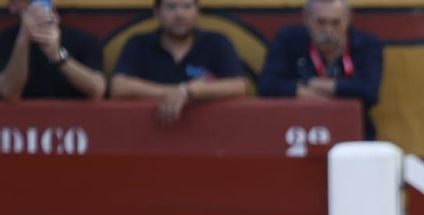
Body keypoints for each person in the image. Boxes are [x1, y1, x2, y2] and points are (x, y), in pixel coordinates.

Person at [257, 0, 383, 140]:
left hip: (353, 132)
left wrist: (312, 83)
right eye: (321, 22)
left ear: (348, 19)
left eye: (336, 23)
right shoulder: (288, 39)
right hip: (297, 130)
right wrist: (309, 94)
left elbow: (369, 92)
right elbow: (266, 85)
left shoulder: (367, 45)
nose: (328, 31)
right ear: (306, 19)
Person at [109, 0, 246, 125]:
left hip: (210, 134)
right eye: (171, 7)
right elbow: (119, 86)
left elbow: (238, 85)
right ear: (157, 13)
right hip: (147, 135)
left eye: (187, 6)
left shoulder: (217, 42)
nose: (179, 14)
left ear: (197, 12)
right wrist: (177, 92)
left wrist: (189, 91)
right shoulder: (139, 43)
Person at [0, 0, 105, 101]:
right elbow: (9, 93)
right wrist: (23, 41)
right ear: (13, 5)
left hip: (70, 117)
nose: (36, 5)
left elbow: (97, 90)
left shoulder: (83, 40)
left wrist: (58, 55)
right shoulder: (4, 41)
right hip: (19, 118)